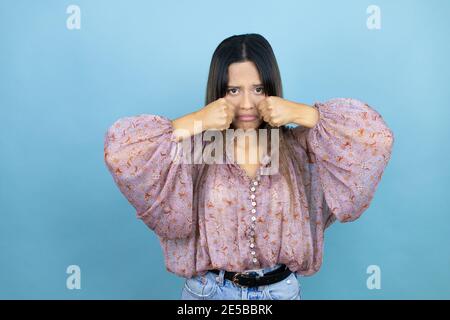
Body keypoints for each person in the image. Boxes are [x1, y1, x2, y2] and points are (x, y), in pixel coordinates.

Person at [103, 33, 395, 300]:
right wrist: (196, 120)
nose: (246, 103)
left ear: (271, 88)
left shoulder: (299, 146)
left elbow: (374, 138)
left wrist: (302, 112)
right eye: (233, 90)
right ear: (218, 91)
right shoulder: (195, 150)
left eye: (257, 89)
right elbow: (122, 151)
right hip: (207, 294)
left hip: (280, 293)